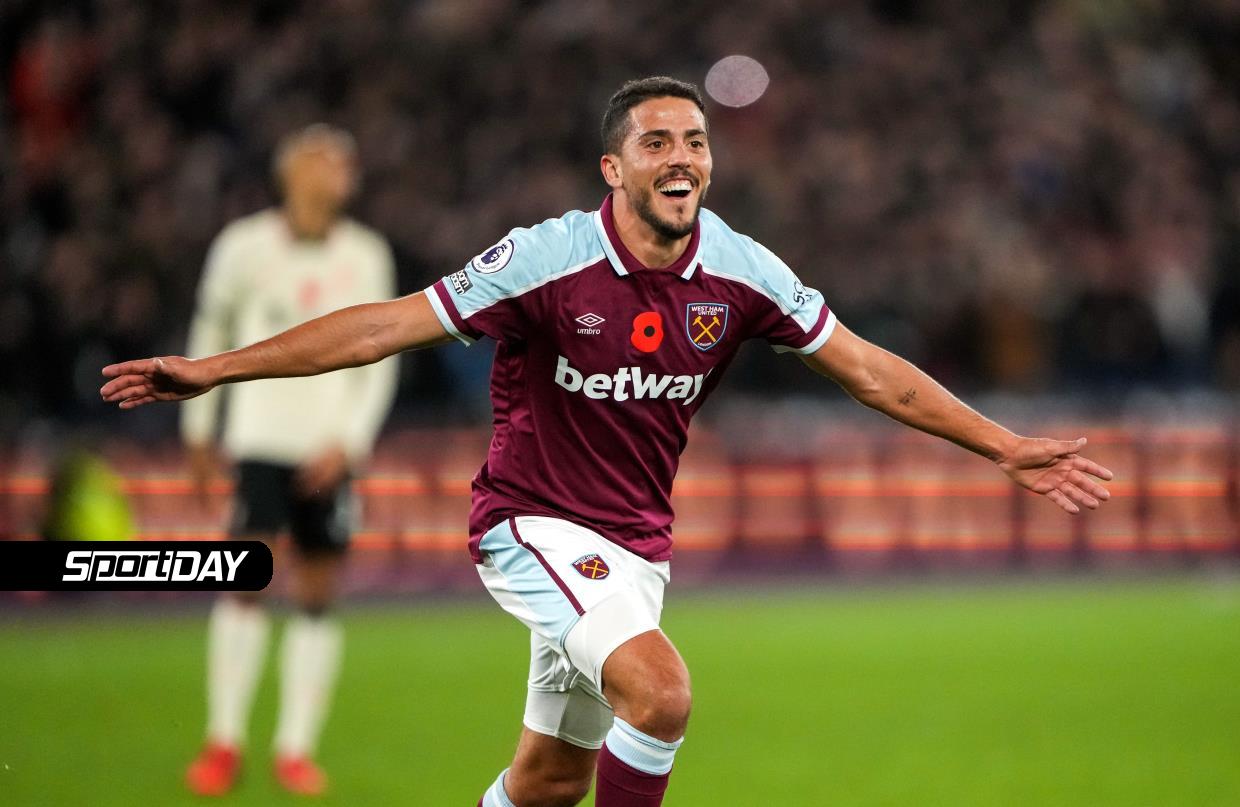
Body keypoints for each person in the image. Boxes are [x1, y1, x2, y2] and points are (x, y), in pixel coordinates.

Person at [102, 78, 1112, 807]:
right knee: (661, 695)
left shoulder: (741, 270)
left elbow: (866, 369)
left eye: (696, 142)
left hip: (635, 550)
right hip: (529, 525)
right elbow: (382, 328)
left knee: (548, 780)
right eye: (657, 141)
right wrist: (217, 370)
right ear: (614, 167)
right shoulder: (546, 259)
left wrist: (1000, 445)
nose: (682, 158)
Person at [177, 124, 398, 797]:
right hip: (259, 440)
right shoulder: (243, 247)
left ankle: (295, 749)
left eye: (343, 164)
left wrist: (350, 443)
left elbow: (381, 356)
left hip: (327, 449)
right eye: (323, 161)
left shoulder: (366, 253)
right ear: (290, 173)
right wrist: (198, 429)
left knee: (317, 592)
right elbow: (210, 331)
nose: (338, 173)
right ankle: (224, 740)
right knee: (245, 582)